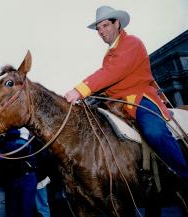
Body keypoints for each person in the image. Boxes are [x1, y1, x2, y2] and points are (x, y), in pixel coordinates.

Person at [64, 5, 188, 180]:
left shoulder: (131, 43)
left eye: (105, 25)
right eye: (98, 29)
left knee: (154, 132)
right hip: (118, 104)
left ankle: (183, 174)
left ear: (118, 24)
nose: (101, 31)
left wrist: (80, 90)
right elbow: (109, 81)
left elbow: (112, 72)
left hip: (139, 99)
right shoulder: (110, 53)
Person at [0, 127, 38, 217]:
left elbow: (21, 150)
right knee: (12, 211)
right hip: (12, 178)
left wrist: (0, 141)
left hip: (27, 178)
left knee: (26, 212)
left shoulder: (28, 132)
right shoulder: (8, 134)